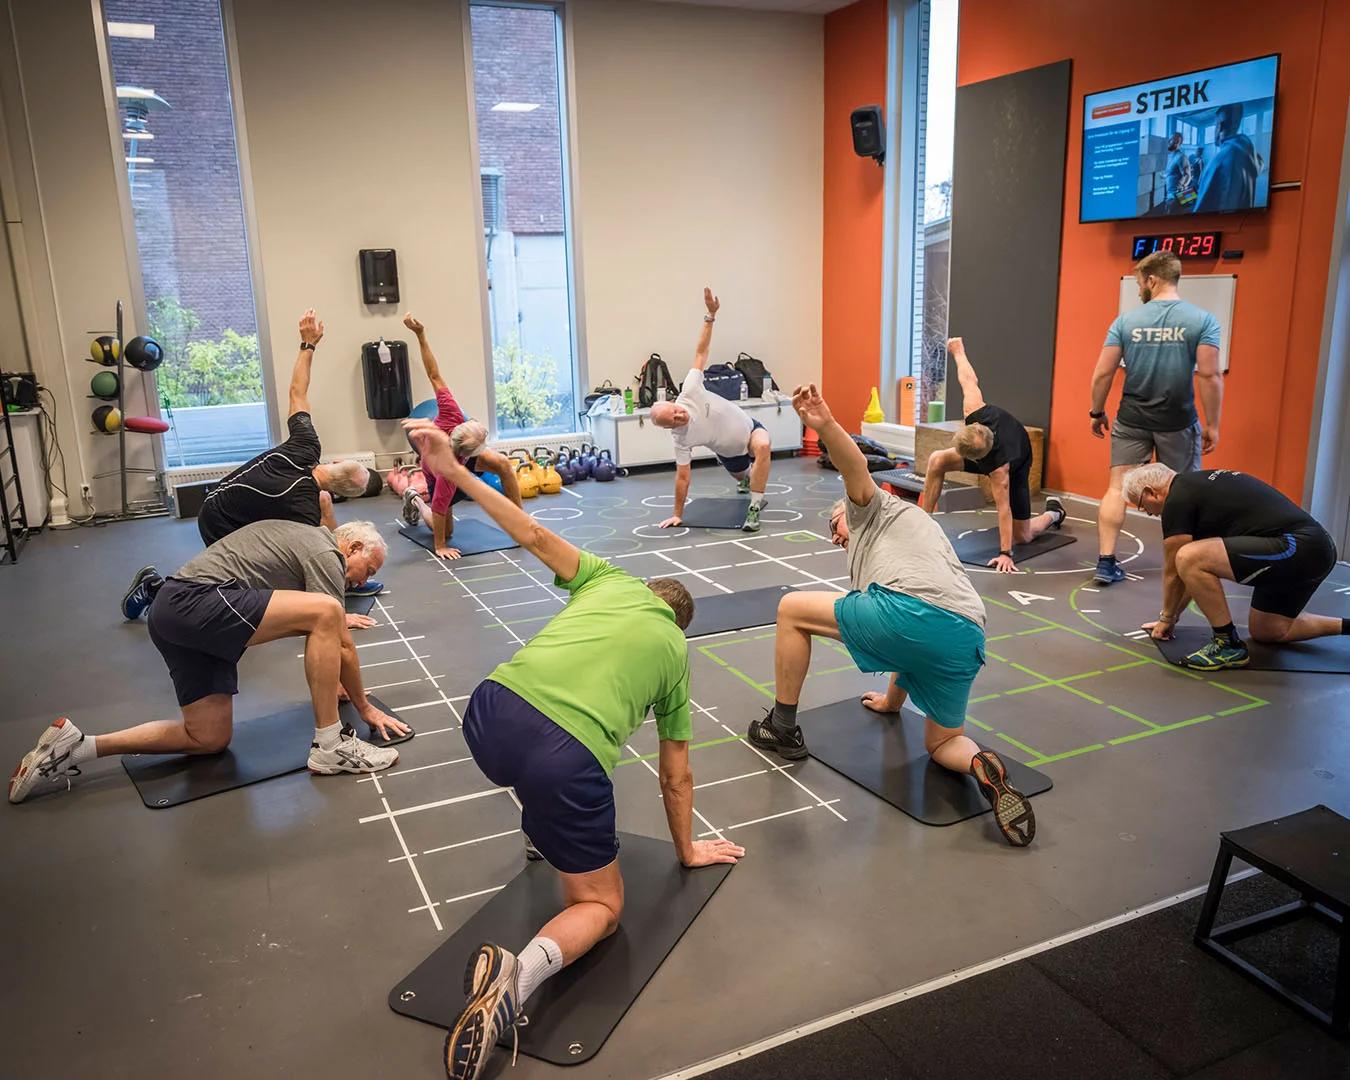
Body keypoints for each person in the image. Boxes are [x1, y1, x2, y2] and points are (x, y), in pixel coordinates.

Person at [404, 419, 743, 1080]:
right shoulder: (675, 651)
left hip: (489, 714)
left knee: (538, 781)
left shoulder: (609, 580)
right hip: (561, 758)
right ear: (679, 623)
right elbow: (676, 775)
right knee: (602, 908)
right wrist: (687, 850)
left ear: (646, 592)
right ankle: (515, 978)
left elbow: (528, 531)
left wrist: (456, 471)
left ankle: (543, 830)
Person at [745, 384, 1035, 848]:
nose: (836, 536)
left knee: (790, 609)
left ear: (852, 510)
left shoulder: (871, 508)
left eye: (834, 525)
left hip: (913, 614)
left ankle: (781, 728)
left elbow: (854, 467)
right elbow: (918, 630)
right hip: (967, 634)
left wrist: (825, 424)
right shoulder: (925, 527)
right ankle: (982, 764)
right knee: (943, 743)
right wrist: (892, 702)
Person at [10, 520, 408, 805]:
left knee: (208, 737)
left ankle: (79, 746)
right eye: (367, 570)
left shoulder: (304, 542)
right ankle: (330, 744)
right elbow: (338, 638)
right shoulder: (325, 552)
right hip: (192, 601)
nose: (361, 581)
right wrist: (364, 707)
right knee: (328, 611)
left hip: (173, 616)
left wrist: (332, 680)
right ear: (351, 547)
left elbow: (311, 635)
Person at [122, 309, 380, 620]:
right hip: (219, 519)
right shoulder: (302, 508)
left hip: (222, 496)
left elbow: (298, 393)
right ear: (345, 495)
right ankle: (154, 587)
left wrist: (308, 345)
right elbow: (314, 553)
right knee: (241, 586)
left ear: (335, 462)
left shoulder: (305, 446)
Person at [1126, 463, 1347, 670]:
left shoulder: (1177, 498)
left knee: (1188, 556)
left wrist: (1167, 618)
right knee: (1269, 630)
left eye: (1142, 505)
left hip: (1298, 547)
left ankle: (1227, 645)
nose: (1148, 513)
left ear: (1151, 492)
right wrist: (1172, 617)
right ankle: (1347, 626)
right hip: (1313, 549)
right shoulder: (1195, 486)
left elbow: (1176, 570)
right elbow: (1188, 576)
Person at [1087, 249, 1223, 585]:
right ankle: (1185, 567)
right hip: (1177, 422)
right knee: (1185, 492)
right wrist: (1213, 424)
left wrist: (1096, 412)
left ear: (1152, 279)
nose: (1139, 290)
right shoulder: (1202, 320)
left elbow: (1102, 374)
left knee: (1117, 488)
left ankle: (1105, 562)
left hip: (1131, 418)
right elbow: (1209, 376)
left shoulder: (1126, 322)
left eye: (1139, 283)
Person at [921, 337, 1065, 572]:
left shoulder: (1000, 470)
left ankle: (1054, 513)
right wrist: (958, 351)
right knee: (937, 459)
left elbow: (1003, 508)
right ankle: (924, 521)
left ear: (977, 460)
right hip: (986, 447)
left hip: (1019, 460)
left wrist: (1005, 553)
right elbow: (969, 379)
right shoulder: (975, 410)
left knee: (1024, 536)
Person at [397, 312, 522, 559]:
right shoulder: (447, 474)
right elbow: (442, 510)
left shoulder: (452, 411)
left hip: (457, 447)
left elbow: (433, 373)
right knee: (444, 526)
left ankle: (520, 522)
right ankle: (417, 501)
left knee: (503, 464)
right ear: (468, 456)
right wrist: (440, 546)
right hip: (435, 468)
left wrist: (421, 335)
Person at [651, 288, 771, 533]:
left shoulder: (690, 389)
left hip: (751, 429)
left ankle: (754, 510)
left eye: (675, 410)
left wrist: (710, 314)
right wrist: (677, 514)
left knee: (763, 447)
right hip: (731, 456)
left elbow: (700, 351)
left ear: (674, 402)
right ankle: (746, 479)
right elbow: (683, 477)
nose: (679, 415)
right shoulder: (681, 439)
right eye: (673, 420)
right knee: (744, 477)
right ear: (669, 428)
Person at [1194, 103, 1261, 215]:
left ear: (1219, 126)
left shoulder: (1220, 160)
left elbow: (1198, 214)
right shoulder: (1246, 154)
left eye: (1215, 125)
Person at [1163, 132, 1191, 214]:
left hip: (1176, 199)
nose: (1169, 141)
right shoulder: (1171, 157)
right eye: (1170, 139)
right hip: (1169, 197)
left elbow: (1187, 176)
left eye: (1172, 140)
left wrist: (1177, 198)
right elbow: (1172, 174)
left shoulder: (1181, 157)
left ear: (1178, 142)